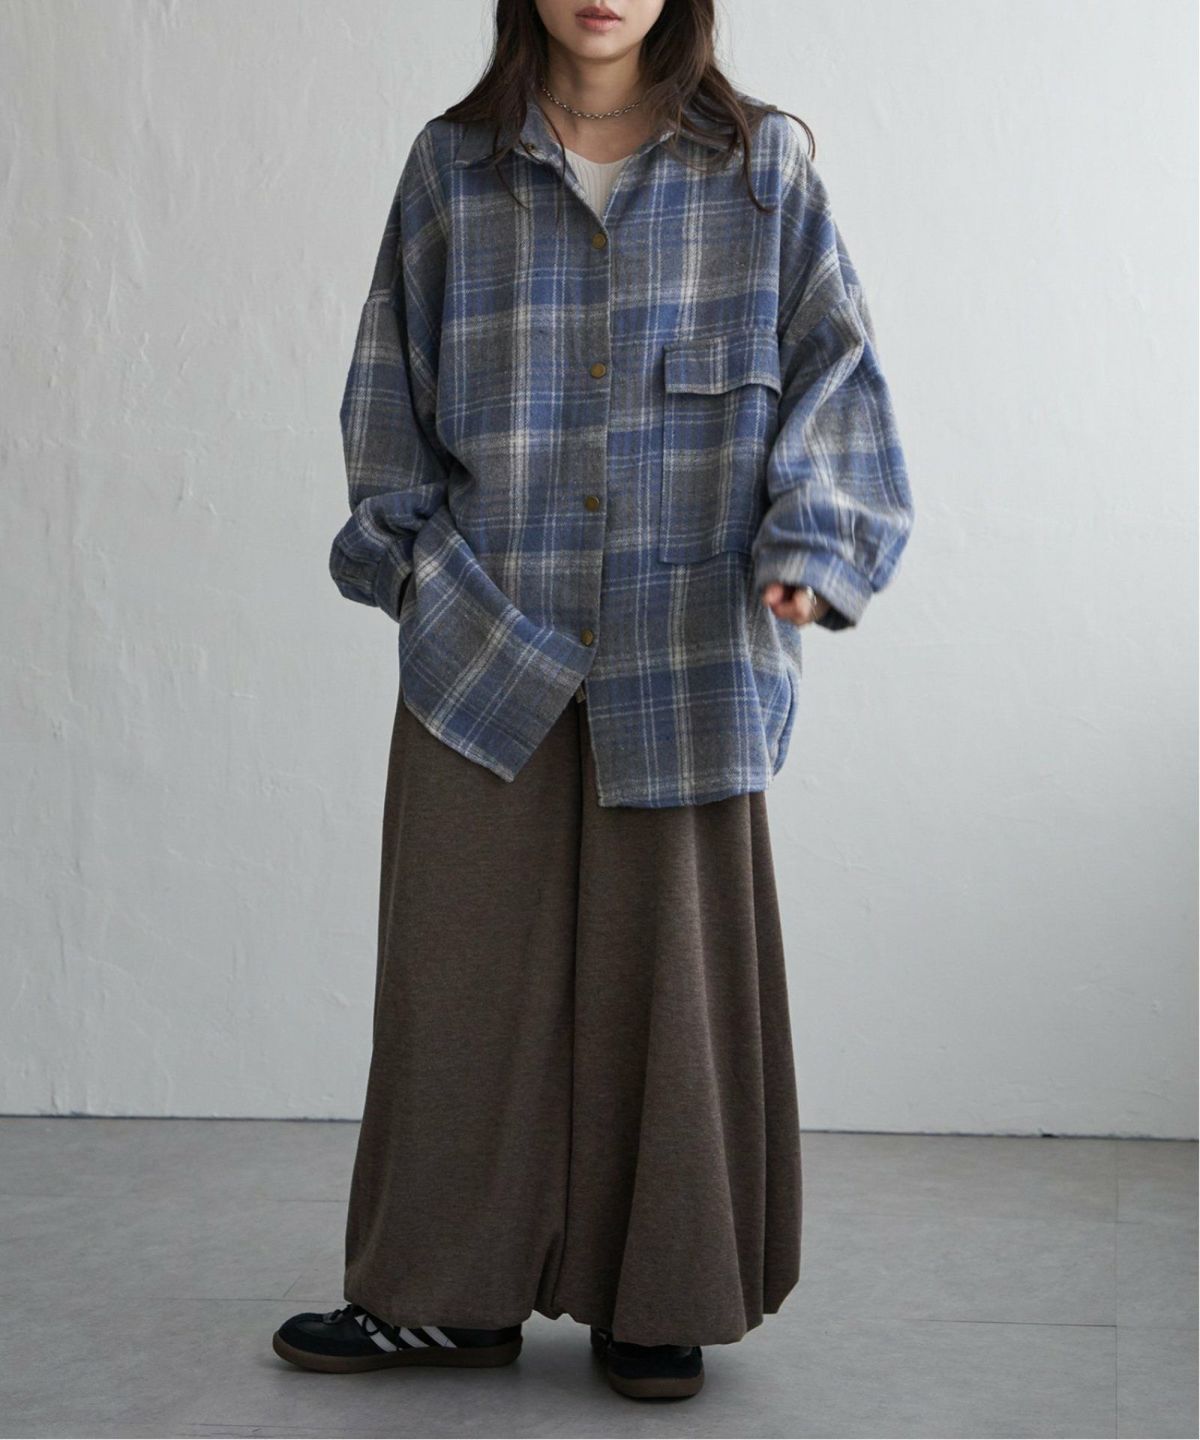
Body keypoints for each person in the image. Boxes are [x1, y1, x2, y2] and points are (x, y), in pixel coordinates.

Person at [272, 0, 914, 1404]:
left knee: (671, 989)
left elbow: (837, 377)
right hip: (482, 641)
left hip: (686, 648)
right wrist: (414, 569)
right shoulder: (453, 167)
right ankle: (444, 1302)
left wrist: (815, 549)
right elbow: (387, 396)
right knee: (455, 983)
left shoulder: (762, 169)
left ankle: (655, 1296)